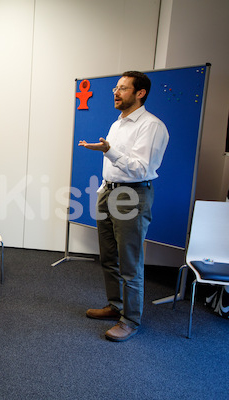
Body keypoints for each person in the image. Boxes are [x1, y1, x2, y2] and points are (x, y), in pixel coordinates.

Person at [79, 71, 169, 342]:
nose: (115, 93)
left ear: (140, 93)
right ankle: (115, 306)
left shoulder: (151, 126)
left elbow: (142, 168)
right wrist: (104, 184)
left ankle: (130, 320)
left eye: (123, 89)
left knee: (130, 262)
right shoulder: (118, 123)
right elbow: (115, 162)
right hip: (109, 192)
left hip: (132, 196)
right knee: (108, 257)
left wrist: (109, 151)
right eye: (116, 89)